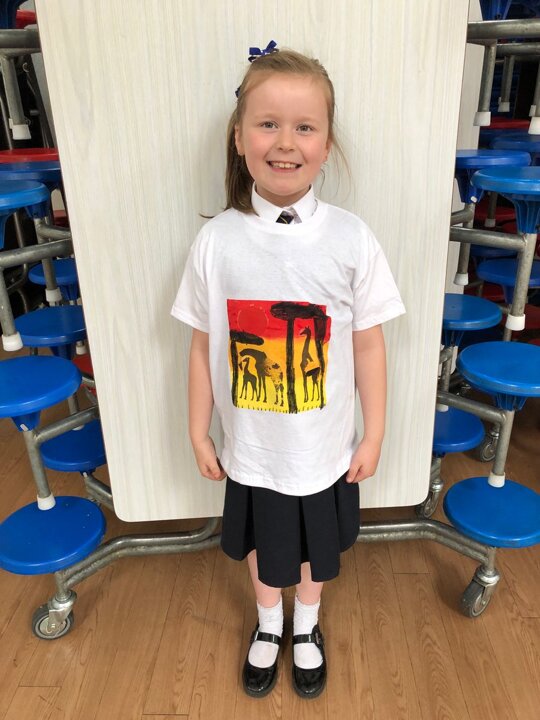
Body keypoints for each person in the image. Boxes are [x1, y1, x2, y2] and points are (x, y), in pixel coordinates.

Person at [171, 41, 405, 700]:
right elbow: (201, 346)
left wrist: (374, 433)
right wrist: (197, 431)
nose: (285, 142)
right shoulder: (217, 241)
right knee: (263, 543)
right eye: (268, 123)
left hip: (324, 449)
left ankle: (307, 622)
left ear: (327, 144)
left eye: (304, 127)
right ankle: (268, 621)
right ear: (239, 137)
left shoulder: (351, 238)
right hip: (252, 449)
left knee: (312, 548)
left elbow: (368, 345)